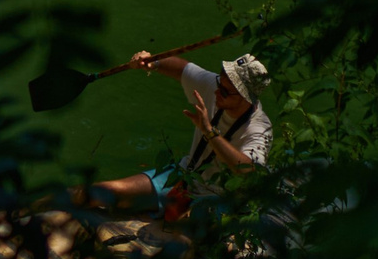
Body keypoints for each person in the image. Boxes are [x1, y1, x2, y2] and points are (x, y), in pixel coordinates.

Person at [74, 49, 272, 216]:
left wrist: (209, 132)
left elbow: (248, 170)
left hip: (219, 198)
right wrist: (153, 62)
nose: (218, 91)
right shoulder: (216, 87)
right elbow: (182, 69)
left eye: (226, 91)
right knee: (97, 193)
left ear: (247, 98)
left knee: (183, 236)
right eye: (220, 83)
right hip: (185, 176)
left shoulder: (259, 129)